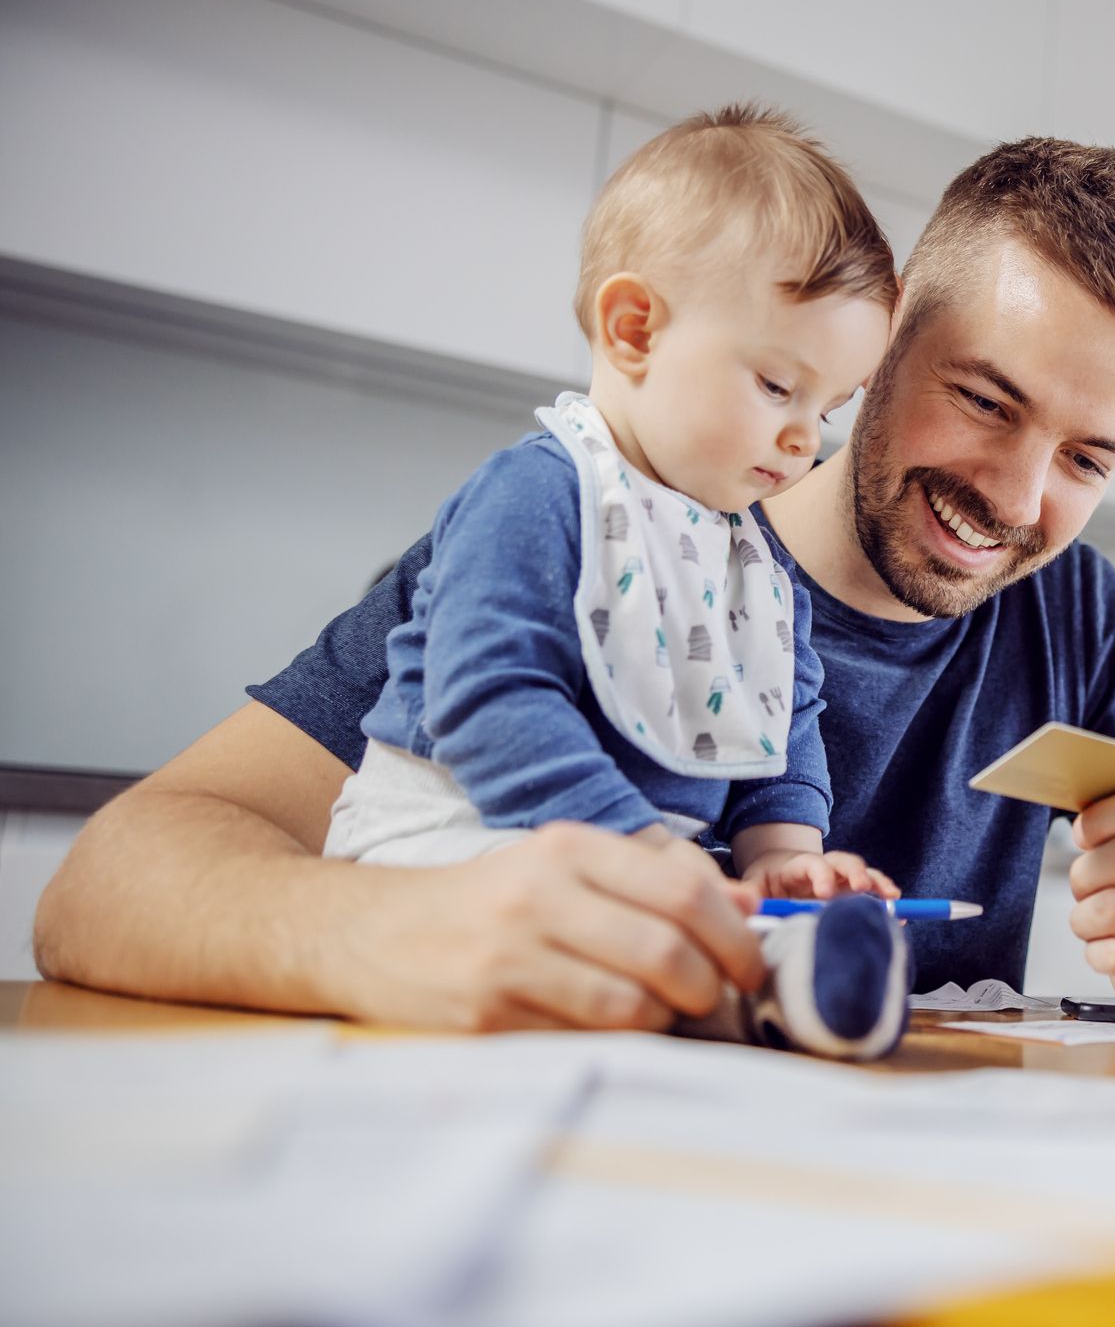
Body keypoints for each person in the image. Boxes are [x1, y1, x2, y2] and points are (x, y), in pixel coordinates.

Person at [34, 135, 1115, 1032]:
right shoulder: (575, 533)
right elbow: (104, 883)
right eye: (984, 399)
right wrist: (384, 932)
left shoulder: (1080, 623)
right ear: (879, 340)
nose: (1017, 499)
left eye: (1087, 456)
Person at [321, 104, 896, 908]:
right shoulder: (540, 495)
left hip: (626, 876)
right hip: (442, 855)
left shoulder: (754, 569)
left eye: (826, 410)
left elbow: (781, 733)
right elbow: (488, 699)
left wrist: (782, 856)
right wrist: (640, 846)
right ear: (634, 331)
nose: (805, 441)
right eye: (776, 387)